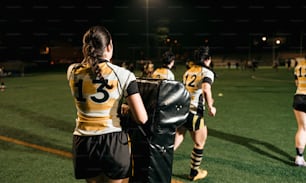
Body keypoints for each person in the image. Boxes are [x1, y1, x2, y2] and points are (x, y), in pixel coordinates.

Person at [66, 25, 148, 183]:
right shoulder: (124, 74)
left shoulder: (72, 71)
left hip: (83, 143)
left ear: (85, 49)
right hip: (112, 141)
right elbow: (142, 118)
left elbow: (92, 95)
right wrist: (124, 109)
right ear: (109, 46)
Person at [173, 46, 216, 181]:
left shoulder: (188, 71)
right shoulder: (207, 72)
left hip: (181, 110)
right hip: (194, 112)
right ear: (207, 59)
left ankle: (158, 164)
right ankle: (194, 173)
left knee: (176, 140)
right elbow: (206, 88)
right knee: (200, 142)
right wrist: (211, 106)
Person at [293, 57, 306, 166]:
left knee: (302, 128)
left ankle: (299, 157)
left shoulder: (299, 66)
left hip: (299, 97)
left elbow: (296, 83)